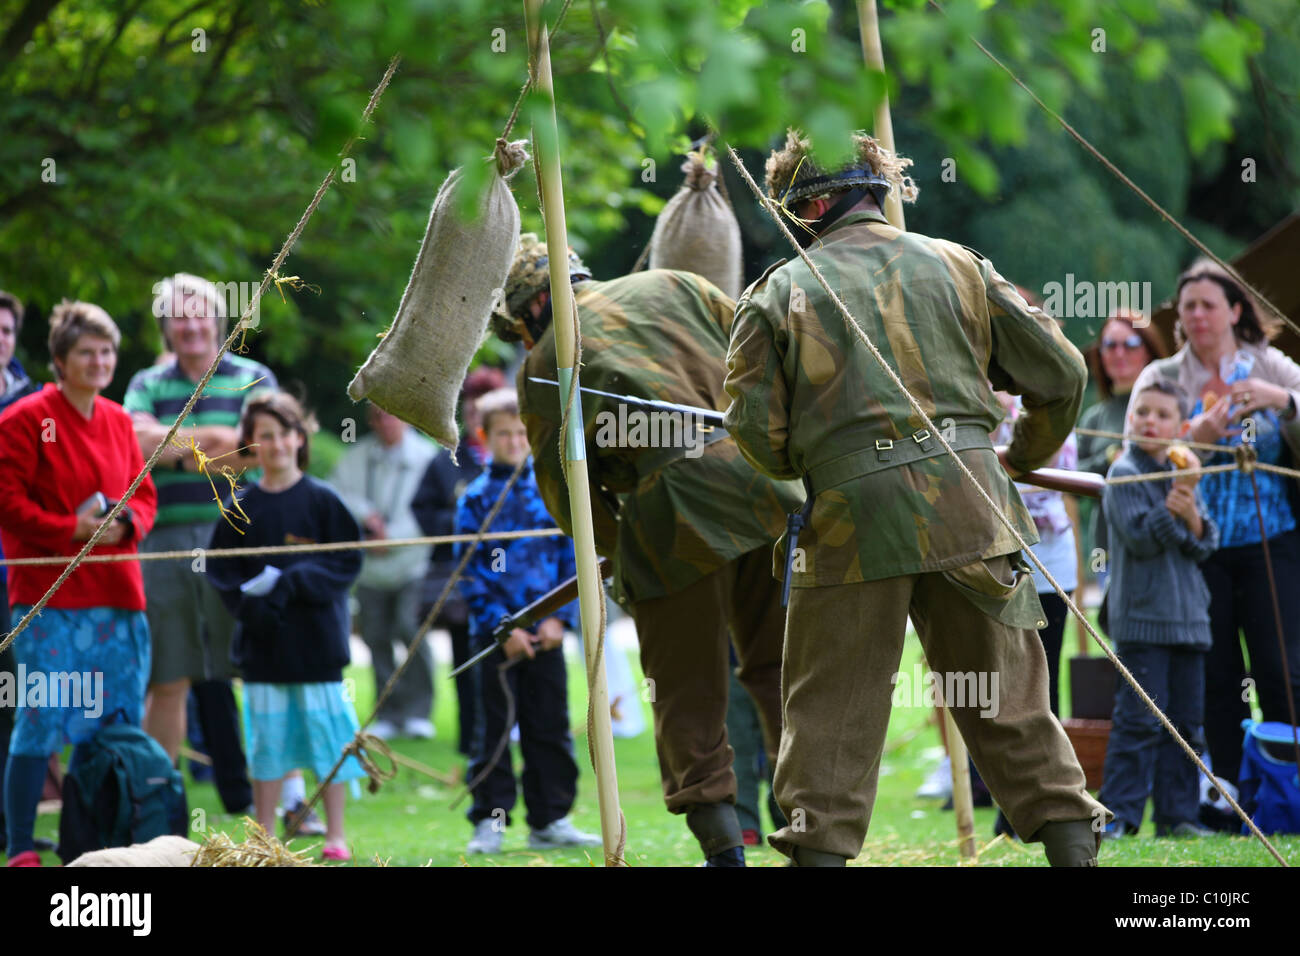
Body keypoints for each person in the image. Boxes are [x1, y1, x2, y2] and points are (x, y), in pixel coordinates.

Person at [723, 129, 1108, 866]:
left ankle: (819, 852)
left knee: (831, 718)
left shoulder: (775, 291)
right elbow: (1060, 372)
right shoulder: (960, 264)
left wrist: (822, 462)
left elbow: (750, 427)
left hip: (848, 521)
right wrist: (1020, 457)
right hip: (974, 506)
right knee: (1010, 707)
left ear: (810, 206)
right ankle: (1073, 852)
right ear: (877, 188)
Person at [497, 235, 805, 866]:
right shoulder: (676, 283)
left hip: (670, 517)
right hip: (774, 492)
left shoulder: (546, 360)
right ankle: (816, 831)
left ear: (529, 311)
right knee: (784, 674)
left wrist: (624, 546)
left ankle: (724, 849)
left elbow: (567, 495)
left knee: (686, 693)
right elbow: (765, 359)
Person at [1128, 259, 1300, 787]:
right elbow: (1137, 452)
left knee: (1281, 667)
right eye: (1189, 306)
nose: (1198, 315)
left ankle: (1288, 784)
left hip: (1274, 538)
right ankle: (1227, 787)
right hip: (1197, 546)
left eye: (1209, 304)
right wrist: (1191, 435)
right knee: (1215, 670)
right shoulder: (1160, 376)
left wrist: (1286, 403)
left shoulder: (1272, 365)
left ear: (1235, 309)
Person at [0, 301, 157, 867]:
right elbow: (7, 501)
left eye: (106, 351)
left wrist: (125, 523)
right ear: (60, 361)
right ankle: (20, 847)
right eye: (85, 352)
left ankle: (96, 840)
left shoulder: (120, 420)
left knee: (115, 723)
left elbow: (144, 493)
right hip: (50, 599)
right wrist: (72, 528)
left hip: (118, 594)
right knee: (41, 718)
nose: (98, 361)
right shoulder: (25, 418)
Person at [125, 273, 273, 815]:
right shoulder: (146, 381)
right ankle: (157, 802)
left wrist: (177, 445)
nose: (189, 326)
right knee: (168, 674)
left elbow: (261, 448)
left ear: (217, 319)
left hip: (235, 536)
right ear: (165, 326)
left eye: (198, 314)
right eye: (177, 317)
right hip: (161, 544)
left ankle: (275, 795)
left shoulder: (254, 376)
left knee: (253, 666)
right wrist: (213, 444)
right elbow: (135, 444)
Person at [205, 391, 365, 862]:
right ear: (251, 444)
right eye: (264, 436)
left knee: (327, 741)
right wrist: (252, 606)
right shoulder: (239, 506)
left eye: (283, 434)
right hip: (263, 649)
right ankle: (264, 834)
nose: (275, 445)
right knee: (268, 744)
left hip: (316, 648)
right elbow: (221, 572)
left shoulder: (323, 500)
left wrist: (297, 582)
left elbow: (346, 563)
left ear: (300, 438)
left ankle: (335, 835)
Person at [455, 388, 599, 854]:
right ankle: (491, 821)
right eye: (503, 434)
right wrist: (505, 627)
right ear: (484, 437)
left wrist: (560, 620)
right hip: (497, 639)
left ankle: (551, 818)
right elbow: (469, 572)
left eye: (521, 433)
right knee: (492, 731)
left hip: (548, 637)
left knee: (550, 727)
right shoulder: (473, 500)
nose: (514, 441)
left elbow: (571, 559)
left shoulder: (551, 488)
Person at [1099, 381, 1218, 838]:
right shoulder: (1124, 473)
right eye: (1142, 412)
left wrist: (1190, 513)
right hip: (1143, 623)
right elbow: (1141, 539)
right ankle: (1121, 816)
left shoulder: (1186, 471)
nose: (1150, 421)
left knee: (1186, 726)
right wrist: (1175, 508)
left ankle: (1178, 816)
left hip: (1190, 620)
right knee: (1139, 723)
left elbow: (1206, 544)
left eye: (1162, 415)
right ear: (1130, 420)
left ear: (1180, 426)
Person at [331, 403, 437, 740]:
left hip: (412, 564)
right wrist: (366, 519)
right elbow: (336, 493)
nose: (385, 421)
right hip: (370, 569)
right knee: (376, 637)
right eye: (377, 415)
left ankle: (419, 712)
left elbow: (433, 508)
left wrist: (392, 538)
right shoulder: (357, 455)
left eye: (392, 413)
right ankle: (387, 711)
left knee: (411, 631)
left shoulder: (427, 457)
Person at [410, 370, 500, 757]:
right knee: (468, 661)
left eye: (486, 408)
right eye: (472, 408)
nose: (478, 416)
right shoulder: (445, 461)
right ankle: (472, 742)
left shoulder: (518, 453)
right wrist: (466, 521)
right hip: (462, 581)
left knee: (510, 660)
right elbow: (422, 509)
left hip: (513, 580)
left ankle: (509, 734)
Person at [1077, 312, 1165, 590]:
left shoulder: (1174, 403)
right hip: (1110, 550)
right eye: (1109, 345)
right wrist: (1109, 459)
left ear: (1148, 348)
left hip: (1169, 538)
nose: (1119, 353)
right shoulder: (1094, 418)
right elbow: (1069, 479)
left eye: (1129, 344)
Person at [0, 288, 40, 849]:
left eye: (6, 332)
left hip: (16, 568)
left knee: (12, 693)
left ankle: (12, 828)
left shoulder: (31, 403)